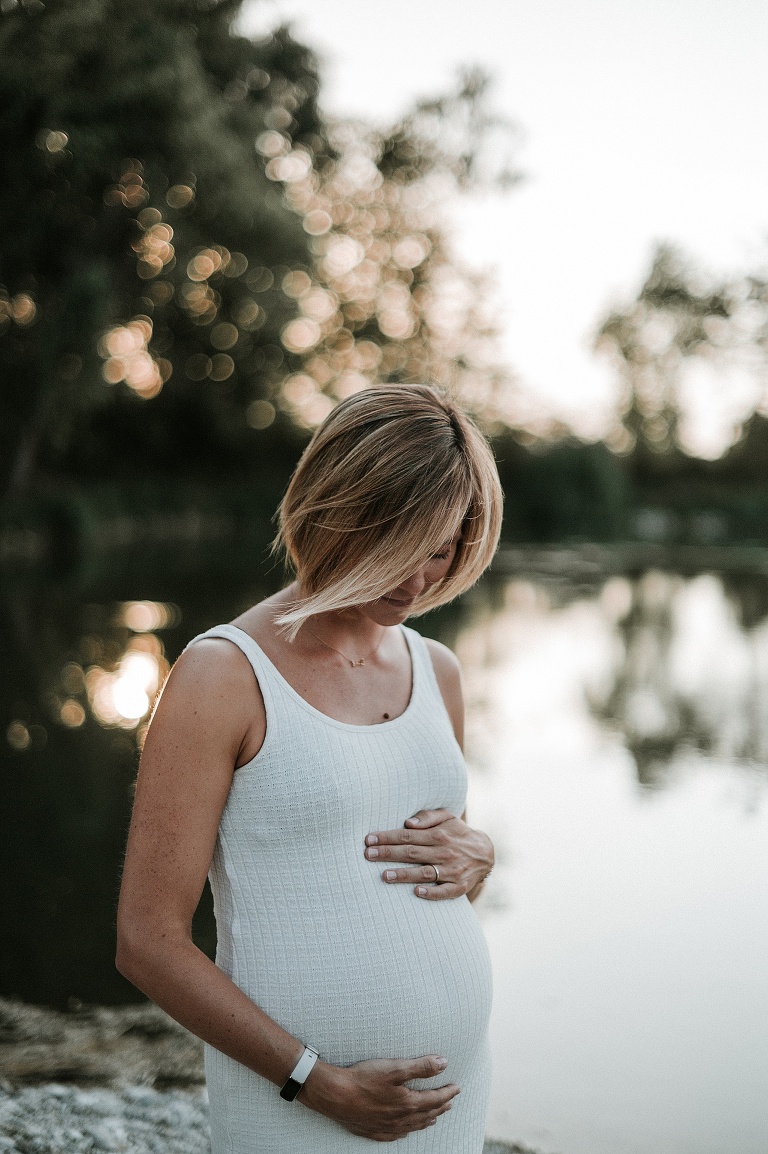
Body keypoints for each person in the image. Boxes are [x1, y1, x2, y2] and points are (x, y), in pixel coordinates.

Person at [116, 383, 503, 1152]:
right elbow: (146, 942)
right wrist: (315, 1082)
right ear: (336, 510)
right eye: (400, 543)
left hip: (452, 1107)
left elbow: (429, 870)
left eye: (443, 546)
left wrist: (480, 859)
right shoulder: (223, 675)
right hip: (294, 1110)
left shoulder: (439, 672)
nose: (421, 576)